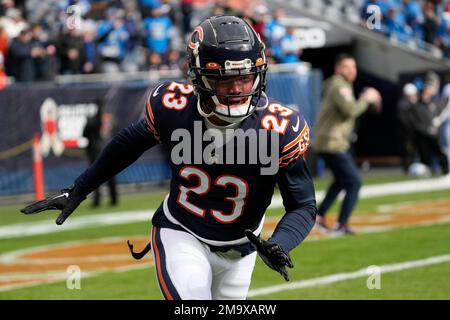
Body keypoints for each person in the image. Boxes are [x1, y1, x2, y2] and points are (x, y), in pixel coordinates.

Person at [21, 15, 317, 300]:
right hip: (182, 232)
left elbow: (302, 205)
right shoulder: (173, 107)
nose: (238, 89)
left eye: (246, 77)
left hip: (242, 249)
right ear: (200, 76)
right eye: (225, 80)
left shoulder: (278, 128)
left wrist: (281, 243)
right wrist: (79, 189)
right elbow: (127, 145)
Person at [314, 53, 382, 235]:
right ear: (338, 68)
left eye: (354, 67)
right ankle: (341, 224)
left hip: (331, 141)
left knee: (340, 181)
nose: (352, 71)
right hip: (332, 142)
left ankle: (318, 216)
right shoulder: (338, 85)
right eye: (347, 67)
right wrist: (366, 99)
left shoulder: (339, 85)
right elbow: (350, 110)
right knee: (354, 182)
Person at [83, 99, 118, 207]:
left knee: (95, 177)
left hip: (96, 151)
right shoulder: (111, 120)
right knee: (110, 176)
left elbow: (84, 133)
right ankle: (113, 199)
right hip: (109, 150)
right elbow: (117, 134)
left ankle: (97, 200)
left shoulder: (92, 120)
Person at [397, 83, 419, 173]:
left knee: (413, 152)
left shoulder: (412, 104)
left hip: (414, 134)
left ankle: (412, 167)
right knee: (408, 152)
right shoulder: (403, 104)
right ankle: (408, 169)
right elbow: (405, 121)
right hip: (407, 134)